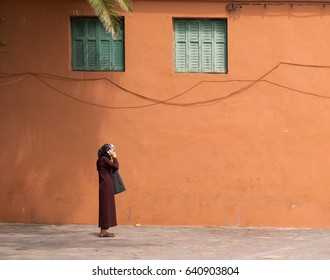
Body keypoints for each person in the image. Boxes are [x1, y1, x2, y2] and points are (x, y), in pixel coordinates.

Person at [96, 143, 119, 237]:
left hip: (106, 186)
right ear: (107, 150)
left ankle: (104, 230)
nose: (113, 151)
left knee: (107, 207)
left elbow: (112, 169)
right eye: (111, 150)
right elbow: (116, 166)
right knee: (106, 207)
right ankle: (103, 231)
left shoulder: (103, 160)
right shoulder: (104, 159)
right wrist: (115, 157)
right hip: (106, 186)